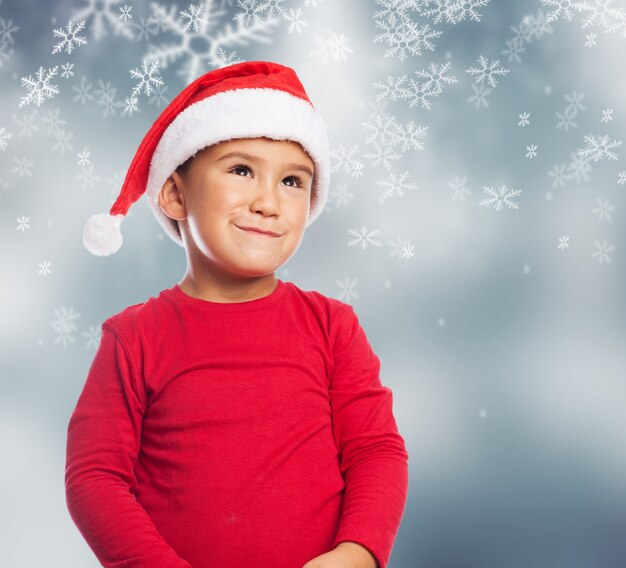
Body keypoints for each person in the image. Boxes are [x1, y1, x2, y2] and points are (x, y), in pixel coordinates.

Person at [65, 60, 409, 568]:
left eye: (293, 181)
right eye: (242, 170)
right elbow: (95, 478)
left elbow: (376, 451)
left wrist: (355, 554)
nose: (269, 202)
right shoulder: (134, 337)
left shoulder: (332, 326)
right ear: (176, 194)